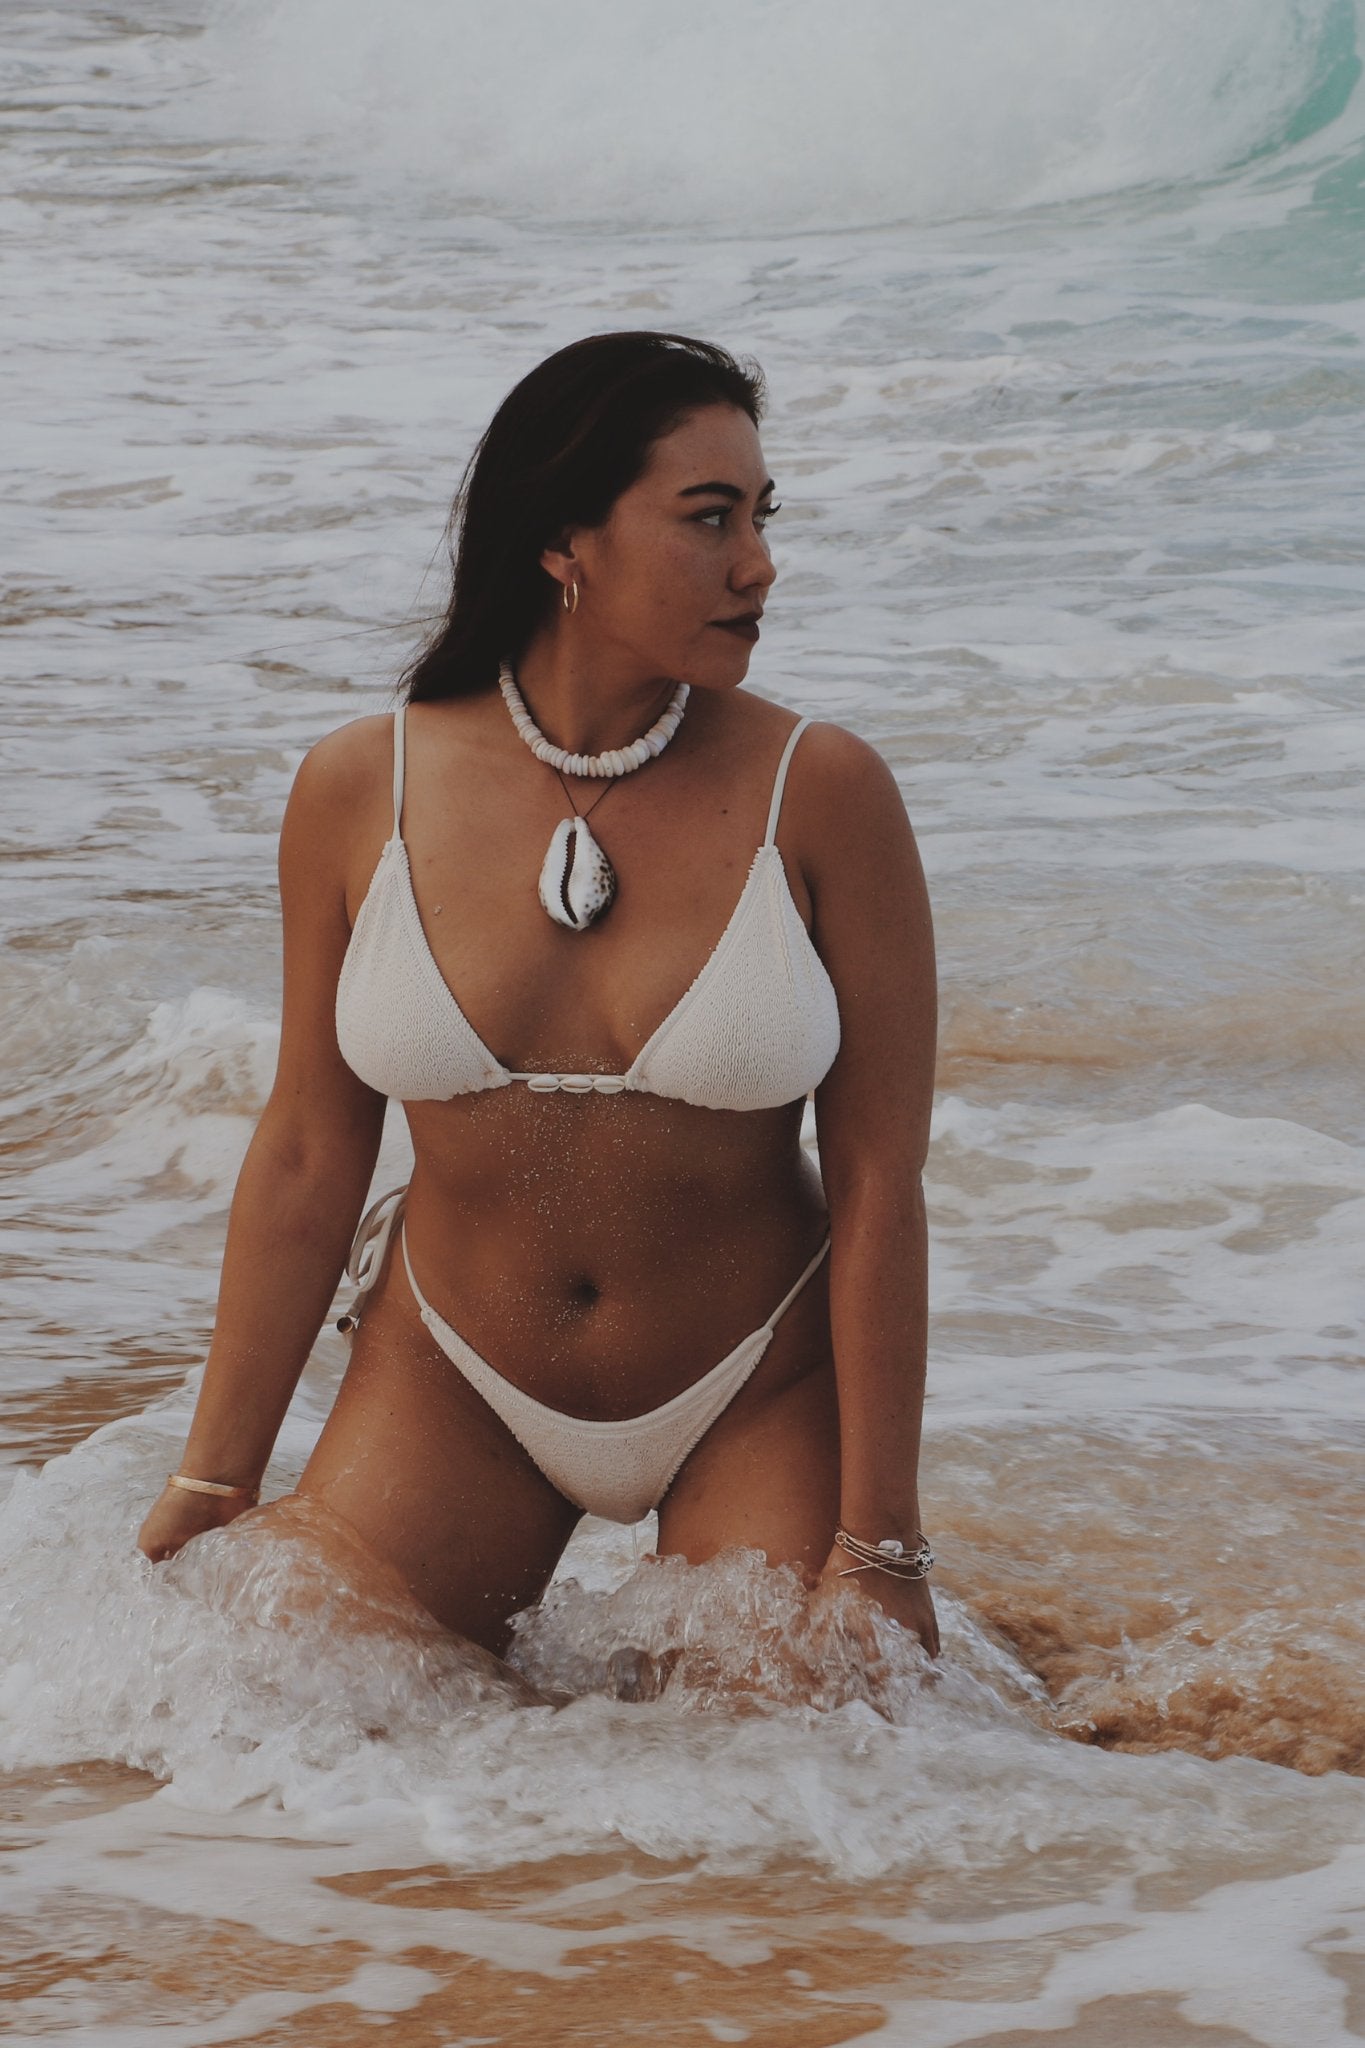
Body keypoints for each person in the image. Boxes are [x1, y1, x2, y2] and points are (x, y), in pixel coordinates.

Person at [137, 331, 940, 1663]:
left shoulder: (822, 792)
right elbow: (308, 1149)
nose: (758, 564)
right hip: (451, 1376)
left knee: (770, 1743)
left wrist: (883, 1548)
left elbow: (878, 1184)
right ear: (566, 538)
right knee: (288, 1687)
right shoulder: (363, 788)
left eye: (762, 516)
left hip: (754, 1377)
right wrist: (213, 1480)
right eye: (709, 517)